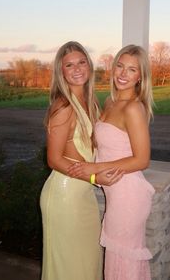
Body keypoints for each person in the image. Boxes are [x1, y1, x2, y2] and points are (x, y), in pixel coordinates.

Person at [68, 44, 155, 280]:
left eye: (132, 70)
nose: (123, 74)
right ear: (113, 67)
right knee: (119, 262)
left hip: (129, 195)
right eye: (120, 66)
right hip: (116, 194)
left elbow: (142, 159)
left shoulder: (133, 108)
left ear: (140, 77)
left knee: (123, 263)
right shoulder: (109, 103)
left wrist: (94, 169)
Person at [40, 41, 123, 280]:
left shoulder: (92, 102)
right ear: (61, 72)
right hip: (64, 198)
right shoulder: (64, 106)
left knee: (87, 264)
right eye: (69, 65)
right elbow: (54, 159)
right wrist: (95, 176)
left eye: (81, 62)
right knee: (70, 269)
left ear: (89, 65)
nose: (76, 69)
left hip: (83, 196)